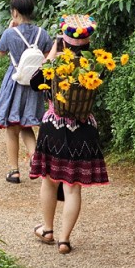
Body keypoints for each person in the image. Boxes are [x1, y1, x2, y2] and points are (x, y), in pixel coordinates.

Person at [30, 15, 107, 255]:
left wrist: (53, 51)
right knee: (73, 187)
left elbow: (34, 83)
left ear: (64, 40)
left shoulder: (56, 65)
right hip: (84, 128)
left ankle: (48, 229)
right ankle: (64, 240)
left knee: (49, 180)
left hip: (54, 125)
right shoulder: (96, 65)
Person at [0, 0, 53, 184]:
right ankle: (35, 156)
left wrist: (10, 28)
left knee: (11, 126)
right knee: (26, 123)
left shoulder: (10, 33)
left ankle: (14, 171)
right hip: (35, 84)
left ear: (15, 12)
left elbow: (0, 52)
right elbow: (49, 56)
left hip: (15, 81)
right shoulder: (43, 33)